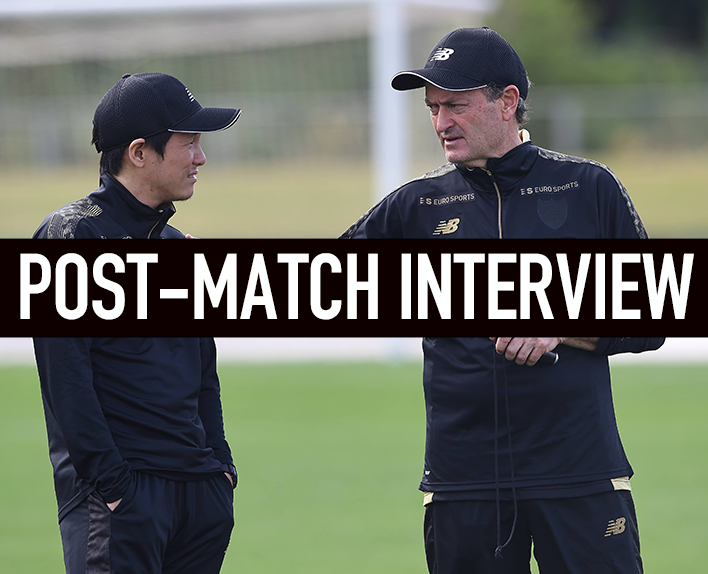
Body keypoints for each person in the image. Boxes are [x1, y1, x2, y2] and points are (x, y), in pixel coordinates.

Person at [341, 27, 664, 573]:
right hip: (464, 482)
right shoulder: (415, 205)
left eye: (456, 106)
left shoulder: (588, 187)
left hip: (579, 473)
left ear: (507, 101)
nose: (441, 123)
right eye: (433, 108)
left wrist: (559, 324)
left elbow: (653, 316)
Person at [33, 73, 241, 574]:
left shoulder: (178, 246)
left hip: (199, 494)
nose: (200, 157)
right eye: (189, 143)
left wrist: (220, 468)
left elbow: (203, 372)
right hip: (123, 498)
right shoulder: (71, 238)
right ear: (140, 152)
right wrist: (112, 485)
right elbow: (66, 379)